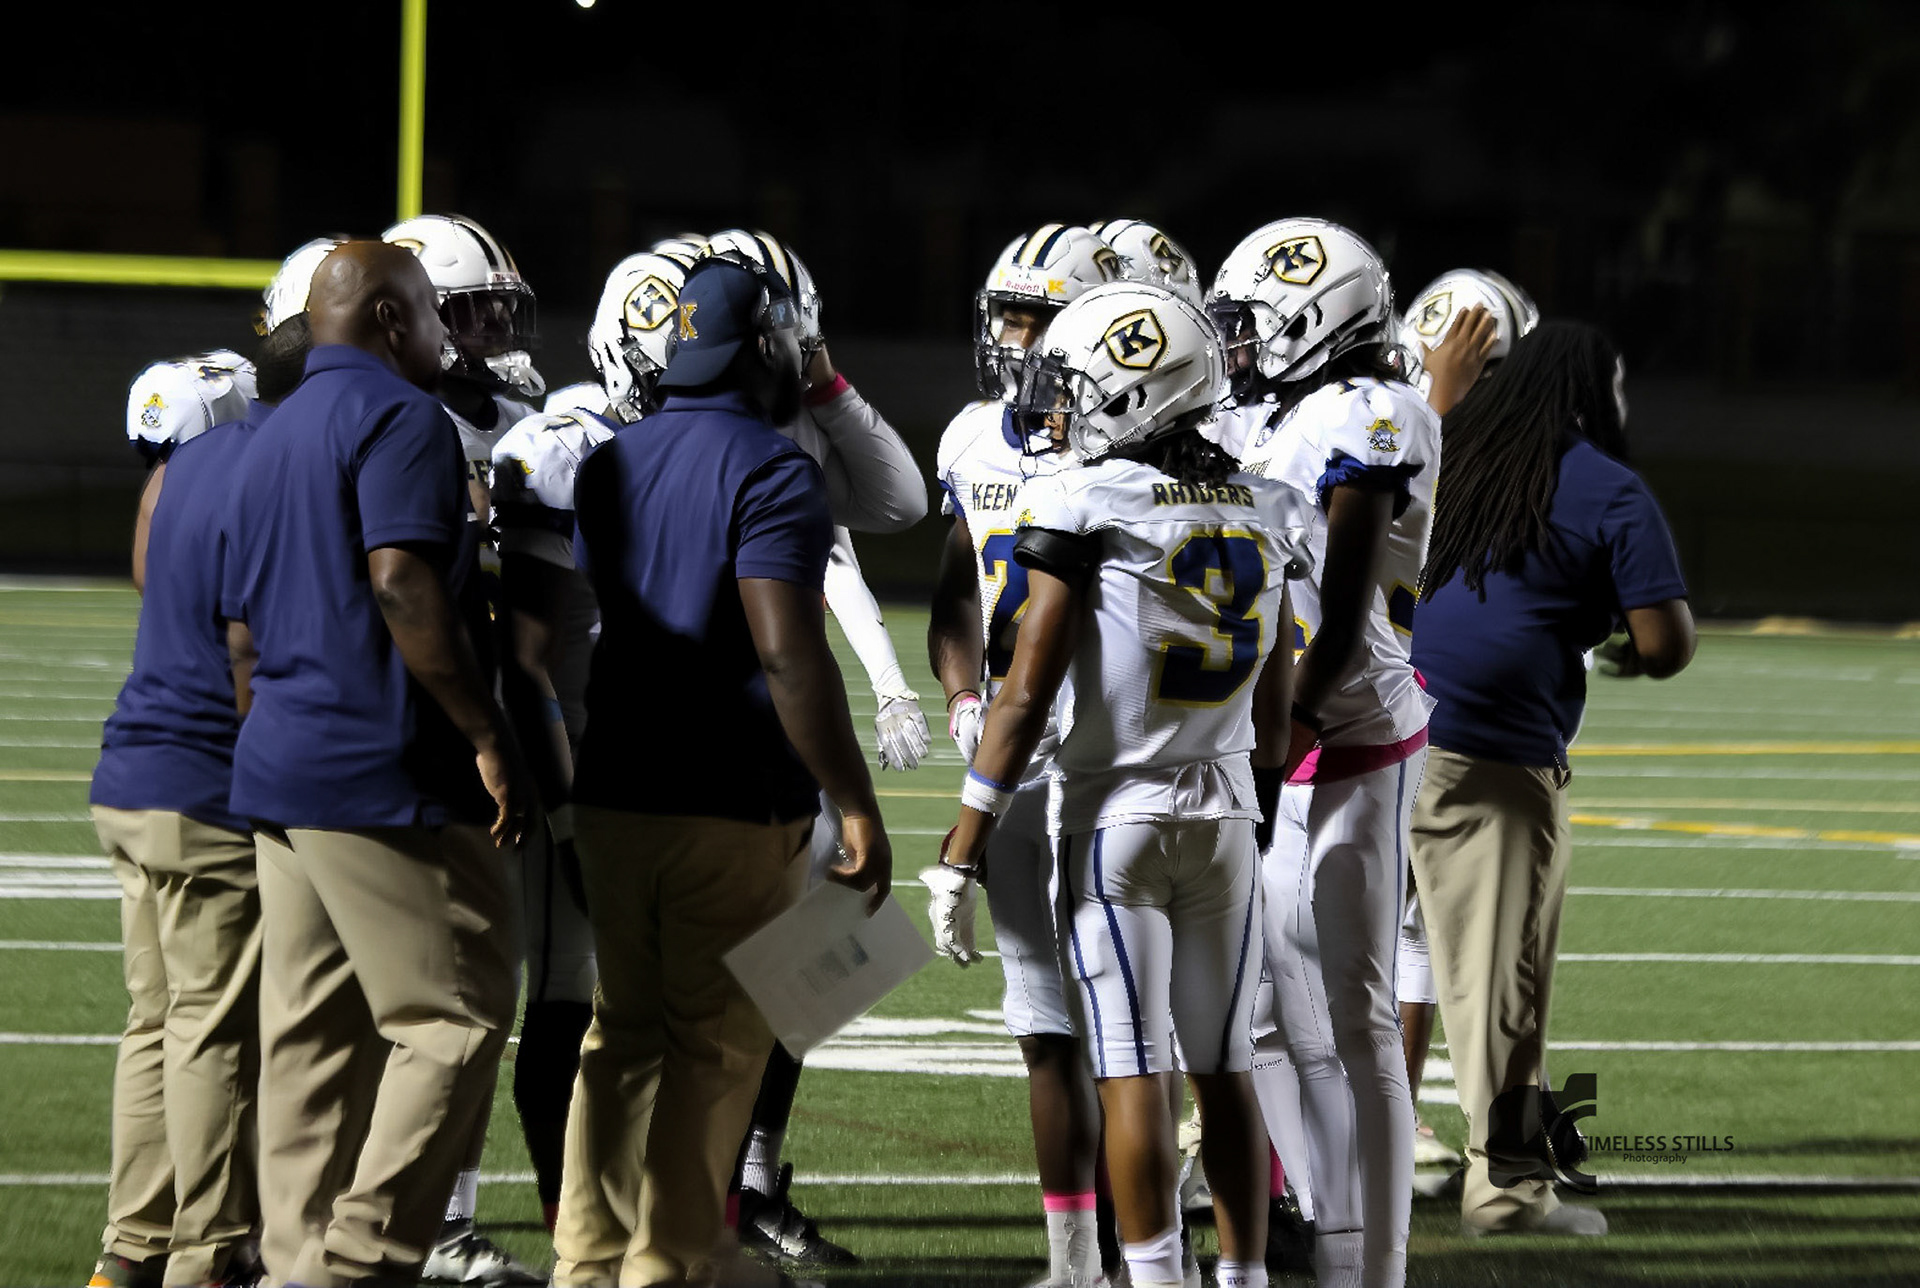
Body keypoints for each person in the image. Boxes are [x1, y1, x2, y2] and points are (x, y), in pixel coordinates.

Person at [937, 280, 1308, 1288]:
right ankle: (1243, 1277)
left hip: (1114, 820)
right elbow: (1277, 723)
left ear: (1138, 393)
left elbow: (1023, 693)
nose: (1062, 408)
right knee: (1224, 1069)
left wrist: (963, 850)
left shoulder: (1084, 500)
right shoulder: (1273, 504)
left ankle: (1152, 1277)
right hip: (1226, 815)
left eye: (1080, 387)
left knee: (1134, 1069)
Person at [552, 254, 892, 1286]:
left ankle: (587, 1258)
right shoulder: (773, 470)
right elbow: (787, 653)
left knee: (622, 1034)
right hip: (728, 793)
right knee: (714, 1043)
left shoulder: (610, 461)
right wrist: (855, 801)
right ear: (762, 347)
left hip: (614, 784)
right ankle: (667, 1262)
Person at [221, 240, 525, 1287]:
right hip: (378, 767)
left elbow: (240, 630)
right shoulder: (402, 416)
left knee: (312, 1042)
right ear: (393, 320)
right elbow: (400, 583)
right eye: (435, 312)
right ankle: (360, 1262)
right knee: (456, 1016)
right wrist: (487, 734)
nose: (447, 333)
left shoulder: (267, 431)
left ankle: (298, 1265)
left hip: (281, 766)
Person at [1209, 218, 1492, 1288]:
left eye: (1253, 325)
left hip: (1346, 720)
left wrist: (1290, 720)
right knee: (1262, 1012)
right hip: (1280, 715)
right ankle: (1329, 1220)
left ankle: (1374, 1263)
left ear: (1315, 323)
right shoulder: (1297, 408)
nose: (1237, 346)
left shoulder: (1370, 412)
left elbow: (1338, 603)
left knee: (1356, 1012)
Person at [1409, 320, 1694, 1237]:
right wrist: (1617, 644)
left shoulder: (1443, 451)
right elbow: (1665, 642)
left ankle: (1284, 1169)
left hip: (1367, 742)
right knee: (1502, 988)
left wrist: (1441, 390)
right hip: (1490, 755)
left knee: (1327, 976)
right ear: (1596, 393)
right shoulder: (1605, 485)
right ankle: (1508, 1190)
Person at [84, 245, 325, 1288]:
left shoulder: (183, 469)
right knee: (215, 1029)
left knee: (159, 1022)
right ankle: (208, 1253)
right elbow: (246, 644)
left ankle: (131, 1248)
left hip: (131, 774)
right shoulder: (274, 461)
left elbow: (159, 586)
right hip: (200, 782)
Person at [695, 228, 929, 1271]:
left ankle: (743, 1184)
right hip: (687, 740)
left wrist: (827, 384)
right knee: (655, 997)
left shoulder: (787, 427)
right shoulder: (641, 439)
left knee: (810, 960)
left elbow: (891, 510)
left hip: (770, 742)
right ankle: (677, 1203)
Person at [925, 221, 1120, 1288]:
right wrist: (965, 695)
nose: (1014, 338)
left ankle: (1150, 1249)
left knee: (1130, 1026)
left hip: (1110, 759)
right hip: (1013, 756)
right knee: (1043, 1021)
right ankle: (1076, 1261)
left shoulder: (1125, 445)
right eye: (1006, 315)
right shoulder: (970, 438)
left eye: (1036, 319)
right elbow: (958, 590)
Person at [489, 245, 695, 1237]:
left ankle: (680, 1207)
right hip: (581, 763)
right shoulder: (560, 448)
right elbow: (524, 660)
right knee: (568, 991)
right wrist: (568, 818)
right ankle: (568, 1216)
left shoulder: (708, 446)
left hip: (674, 763)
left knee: (687, 1000)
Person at [383, 212, 551, 1283]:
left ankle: (442, 1215)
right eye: (474, 310)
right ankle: (416, 1219)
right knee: (434, 996)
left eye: (500, 307)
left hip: (513, 716)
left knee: (483, 990)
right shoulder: (401, 424)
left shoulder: (522, 410)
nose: (493, 328)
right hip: (432, 728)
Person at [1393, 265, 1542, 1169]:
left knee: (1410, 922)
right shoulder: (1389, 432)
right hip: (1366, 704)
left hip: (1432, 711)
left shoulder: (1513, 461)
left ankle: (1395, 1114)